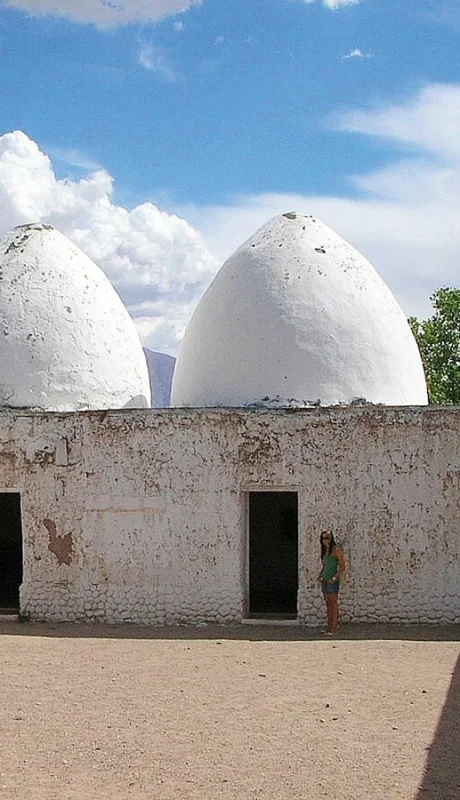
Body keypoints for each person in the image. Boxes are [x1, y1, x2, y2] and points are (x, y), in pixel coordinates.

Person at [317, 530, 346, 634]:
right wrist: (320, 575)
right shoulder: (325, 551)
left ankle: (334, 628)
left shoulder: (336, 550)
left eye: (327, 538)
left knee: (333, 604)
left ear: (331, 539)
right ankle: (329, 627)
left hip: (332, 581)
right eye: (323, 538)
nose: (325, 540)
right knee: (328, 604)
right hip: (325, 580)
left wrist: (334, 578)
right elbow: (325, 565)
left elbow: (343, 566)